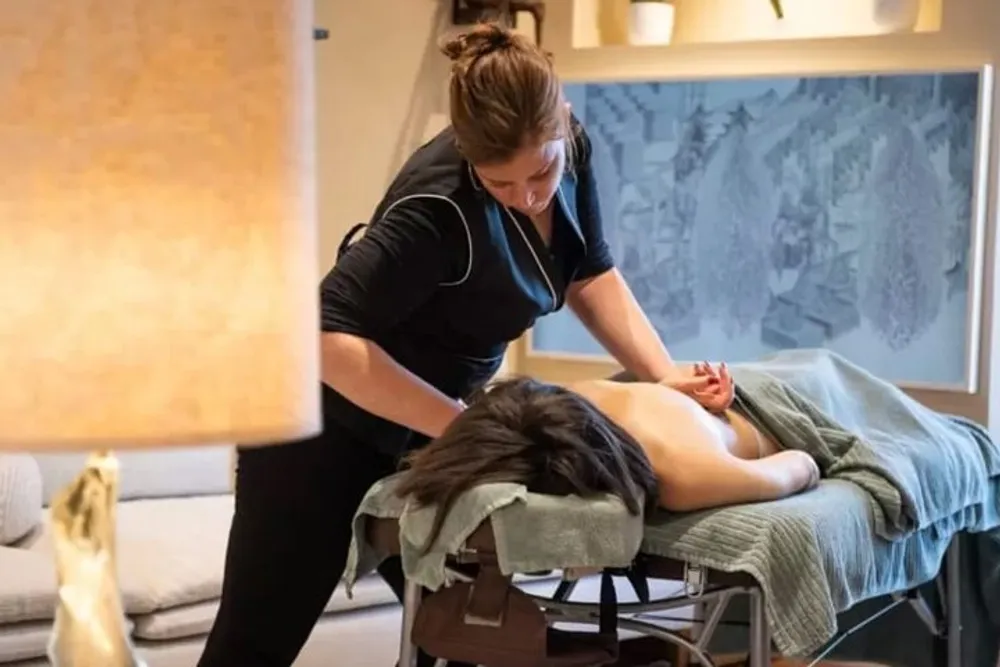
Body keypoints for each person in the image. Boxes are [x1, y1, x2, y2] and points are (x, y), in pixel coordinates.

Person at [197, 22, 731, 667]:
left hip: (423, 427)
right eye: (499, 184)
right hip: (318, 433)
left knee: (465, 636)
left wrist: (661, 376)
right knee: (251, 648)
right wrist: (464, 427)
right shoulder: (436, 206)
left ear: (561, 121)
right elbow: (320, 336)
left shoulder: (572, 147)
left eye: (540, 173)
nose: (527, 196)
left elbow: (589, 271)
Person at [396, 369, 822, 555]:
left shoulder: (682, 473)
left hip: (781, 396)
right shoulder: (553, 400)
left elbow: (804, 461)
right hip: (688, 392)